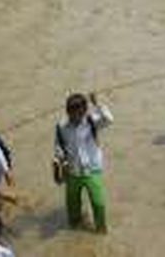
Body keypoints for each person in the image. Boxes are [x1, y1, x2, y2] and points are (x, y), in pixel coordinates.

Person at [53, 93, 113, 233]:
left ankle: (101, 229)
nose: (76, 117)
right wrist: (59, 160)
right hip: (72, 171)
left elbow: (109, 119)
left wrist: (97, 104)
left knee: (98, 203)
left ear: (85, 110)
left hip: (92, 169)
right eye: (72, 113)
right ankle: (74, 227)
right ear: (68, 111)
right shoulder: (61, 127)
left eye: (79, 113)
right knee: (72, 206)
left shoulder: (92, 121)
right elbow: (58, 145)